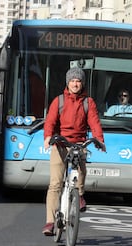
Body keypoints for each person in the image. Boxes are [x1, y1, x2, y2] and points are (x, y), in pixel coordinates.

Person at [42, 67, 105, 236]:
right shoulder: (59, 101)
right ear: (67, 83)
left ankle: (80, 194)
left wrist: (99, 140)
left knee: (82, 169)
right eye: (72, 81)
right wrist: (48, 137)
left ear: (82, 83)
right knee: (55, 184)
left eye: (78, 81)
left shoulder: (88, 102)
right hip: (60, 143)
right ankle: (50, 222)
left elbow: (95, 123)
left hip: (78, 143)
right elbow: (50, 121)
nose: (75, 84)